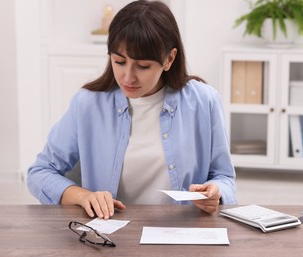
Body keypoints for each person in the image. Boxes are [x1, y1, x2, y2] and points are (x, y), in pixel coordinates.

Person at [27, 0, 237, 220]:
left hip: (182, 232)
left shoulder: (204, 101)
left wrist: (216, 192)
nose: (127, 77)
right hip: (111, 237)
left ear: (169, 59)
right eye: (119, 61)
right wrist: (82, 196)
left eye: (143, 66)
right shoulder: (87, 104)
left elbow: (224, 177)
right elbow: (39, 172)